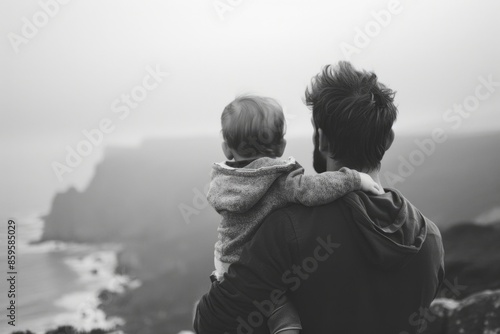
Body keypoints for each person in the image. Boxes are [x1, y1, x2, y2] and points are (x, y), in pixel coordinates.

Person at [194, 61, 445, 334]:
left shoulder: (287, 228)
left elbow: (211, 323)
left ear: (322, 140)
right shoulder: (430, 240)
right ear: (388, 140)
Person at [206, 94, 382, 334]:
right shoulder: (279, 180)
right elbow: (313, 190)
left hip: (224, 262)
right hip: (254, 271)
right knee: (284, 318)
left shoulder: (223, 182)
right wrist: (353, 178)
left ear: (227, 149)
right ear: (281, 146)